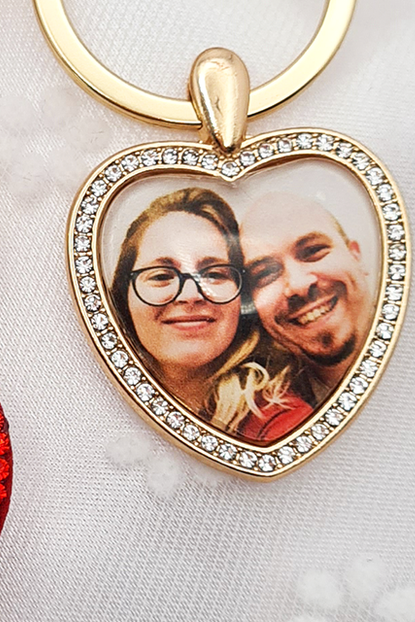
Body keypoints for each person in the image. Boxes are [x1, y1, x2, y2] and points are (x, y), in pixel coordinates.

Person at [109, 187, 310, 439]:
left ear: (242, 299)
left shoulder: (280, 422)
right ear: (122, 294)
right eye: (161, 276)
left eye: (214, 274)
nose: (191, 295)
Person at [238, 189, 376, 416]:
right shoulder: (263, 417)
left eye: (313, 251)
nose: (298, 285)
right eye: (265, 274)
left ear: (355, 255)